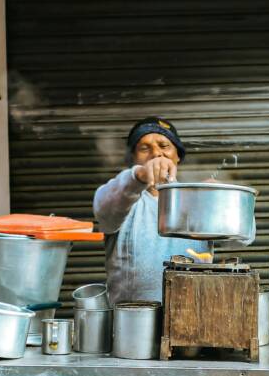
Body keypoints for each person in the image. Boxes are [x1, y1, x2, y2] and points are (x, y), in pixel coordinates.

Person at [94, 117, 252, 304]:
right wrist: (140, 175)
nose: (156, 154)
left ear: (177, 156)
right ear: (133, 160)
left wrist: (221, 200)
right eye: (144, 148)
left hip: (193, 317)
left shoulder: (197, 200)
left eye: (164, 145)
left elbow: (243, 238)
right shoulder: (122, 200)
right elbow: (103, 206)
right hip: (132, 323)